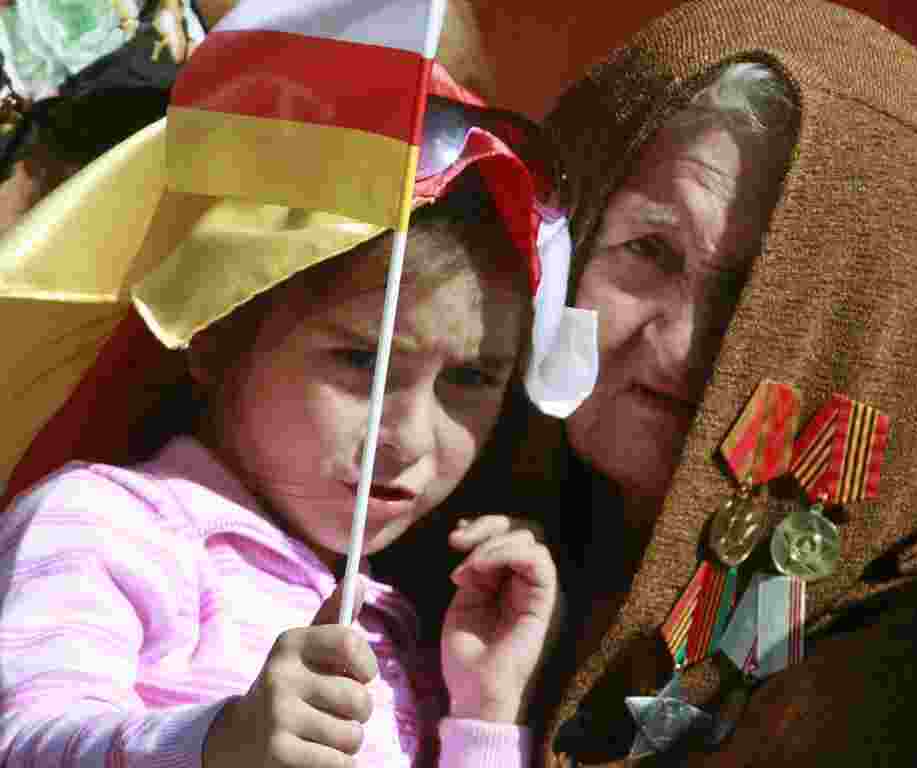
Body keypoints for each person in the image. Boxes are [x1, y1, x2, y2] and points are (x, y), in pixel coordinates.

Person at [0, 35, 583, 768]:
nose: (408, 438)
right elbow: (23, 743)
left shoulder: (396, 625)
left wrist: (484, 714)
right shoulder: (111, 525)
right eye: (360, 360)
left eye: (469, 380)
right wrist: (215, 747)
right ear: (215, 334)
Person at [517, 0, 917, 765]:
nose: (680, 343)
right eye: (651, 249)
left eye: (759, 296)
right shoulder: (414, 515)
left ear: (888, 338)